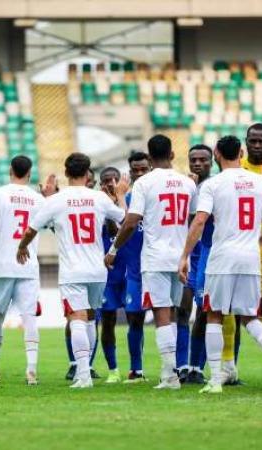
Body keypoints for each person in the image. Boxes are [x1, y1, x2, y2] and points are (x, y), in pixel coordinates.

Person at [179, 135, 262, 394]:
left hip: (222, 257)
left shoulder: (213, 184)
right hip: (251, 257)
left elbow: (200, 220)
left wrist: (184, 256)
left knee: (214, 314)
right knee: (249, 315)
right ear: (241, 152)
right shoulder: (260, 182)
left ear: (216, 154)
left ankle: (215, 379)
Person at [19, 152, 126, 388]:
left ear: (66, 173)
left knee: (76, 319)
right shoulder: (99, 198)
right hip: (98, 270)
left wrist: (22, 247)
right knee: (89, 319)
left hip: (72, 271)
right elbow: (125, 220)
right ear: (88, 174)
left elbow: (30, 230)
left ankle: (83, 375)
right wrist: (120, 196)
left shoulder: (56, 200)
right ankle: (84, 371)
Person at [105, 134, 196, 389]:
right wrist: (187, 253)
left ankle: (170, 376)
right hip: (180, 258)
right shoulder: (187, 183)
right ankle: (173, 371)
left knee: (162, 314)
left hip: (156, 258)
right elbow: (194, 220)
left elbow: (131, 221)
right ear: (172, 155)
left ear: (149, 155)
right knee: (176, 314)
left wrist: (113, 248)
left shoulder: (144, 183)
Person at [0, 155, 44, 385]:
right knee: (29, 317)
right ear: (30, 173)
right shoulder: (37, 198)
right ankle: (31, 370)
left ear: (10, 170)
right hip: (28, 265)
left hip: (2, 265)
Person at [224, 123, 262, 385]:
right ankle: (230, 366)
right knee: (232, 310)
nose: (258, 145)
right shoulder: (237, 170)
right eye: (253, 141)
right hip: (241, 248)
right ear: (245, 143)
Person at [117, 151, 152, 383]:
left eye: (143, 169)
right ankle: (136, 369)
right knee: (134, 320)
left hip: (158, 267)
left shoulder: (157, 196)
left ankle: (178, 367)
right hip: (135, 273)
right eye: (134, 170)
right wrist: (121, 197)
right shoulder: (127, 200)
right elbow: (123, 225)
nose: (139, 174)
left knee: (168, 318)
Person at [184, 144, 214, 384]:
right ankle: (182, 365)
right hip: (185, 258)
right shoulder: (184, 188)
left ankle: (197, 366)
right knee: (182, 313)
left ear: (211, 161)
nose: (197, 164)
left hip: (205, 257)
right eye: (193, 159)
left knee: (204, 314)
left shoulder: (214, 186)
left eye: (203, 160)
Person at [98, 166, 129, 383]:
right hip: (107, 274)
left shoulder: (133, 202)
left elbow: (126, 225)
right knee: (107, 321)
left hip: (129, 270)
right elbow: (111, 229)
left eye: (115, 179)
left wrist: (120, 198)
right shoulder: (97, 205)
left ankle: (137, 368)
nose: (111, 183)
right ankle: (113, 369)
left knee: (136, 319)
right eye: (107, 180)